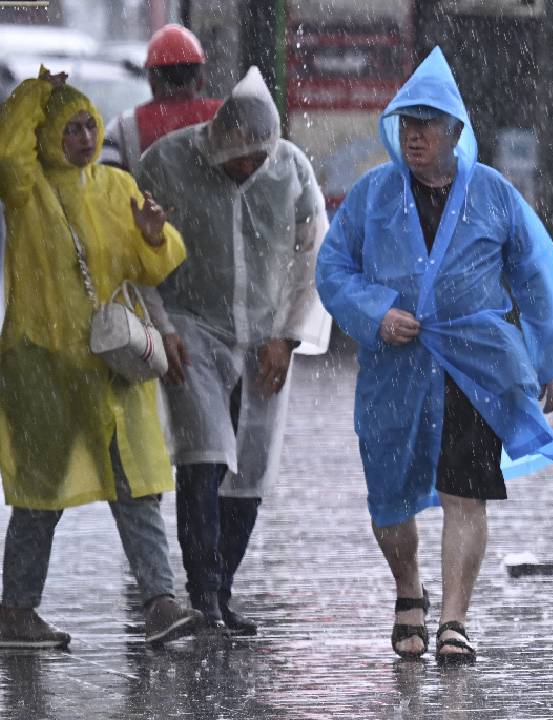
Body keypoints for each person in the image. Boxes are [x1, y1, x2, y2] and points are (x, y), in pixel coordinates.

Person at [316, 48, 553, 664]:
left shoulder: (492, 194)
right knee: (390, 495)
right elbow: (333, 267)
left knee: (467, 491)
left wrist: (550, 356)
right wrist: (376, 313)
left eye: (428, 122)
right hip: (394, 371)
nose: (414, 134)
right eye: (406, 122)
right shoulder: (373, 195)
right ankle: (408, 590)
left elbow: (535, 275)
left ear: (455, 132)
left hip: (474, 366)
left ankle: (454, 620)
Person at [0, 68, 204, 648]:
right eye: (71, 128)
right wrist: (34, 95)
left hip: (114, 364)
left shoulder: (115, 187)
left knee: (136, 487)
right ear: (47, 136)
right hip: (44, 367)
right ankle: (14, 611)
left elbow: (154, 268)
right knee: (42, 494)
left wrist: (152, 236)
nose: (86, 136)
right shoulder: (27, 189)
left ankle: (161, 604)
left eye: (91, 123)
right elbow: (6, 150)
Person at [134, 67, 331, 635]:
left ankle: (223, 585)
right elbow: (136, 255)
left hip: (265, 334)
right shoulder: (166, 163)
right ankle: (204, 593)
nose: (249, 167)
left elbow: (311, 255)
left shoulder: (290, 168)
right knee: (203, 457)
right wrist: (162, 326)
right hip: (193, 326)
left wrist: (287, 338)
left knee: (250, 470)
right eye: (240, 156)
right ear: (219, 141)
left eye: (257, 157)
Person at [101, 23, 221, 173]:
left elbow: (107, 186)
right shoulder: (224, 115)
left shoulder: (121, 128)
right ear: (200, 80)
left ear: (151, 80)